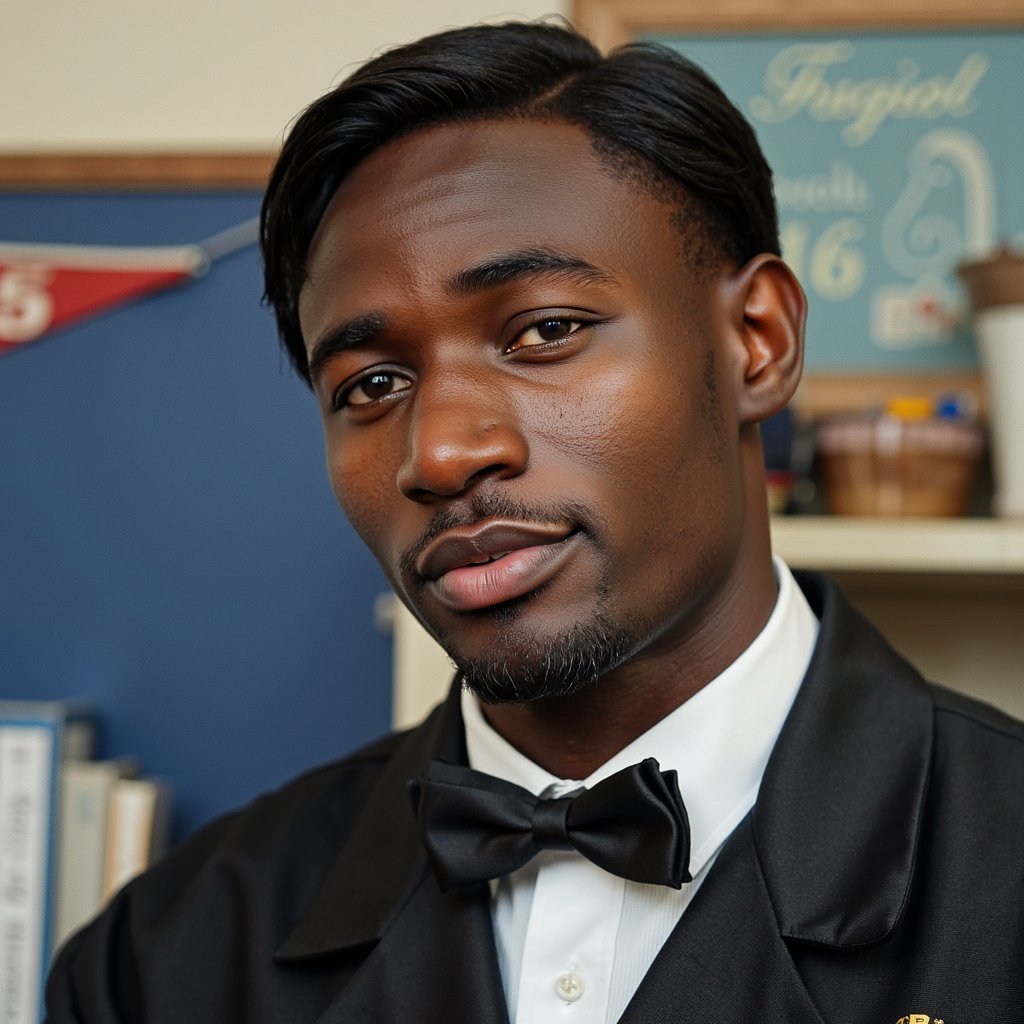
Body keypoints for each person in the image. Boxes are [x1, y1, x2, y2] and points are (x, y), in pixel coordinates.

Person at [46, 20, 1024, 1024]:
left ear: (755, 341)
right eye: (372, 383)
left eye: (545, 330)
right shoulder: (161, 962)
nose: (442, 452)